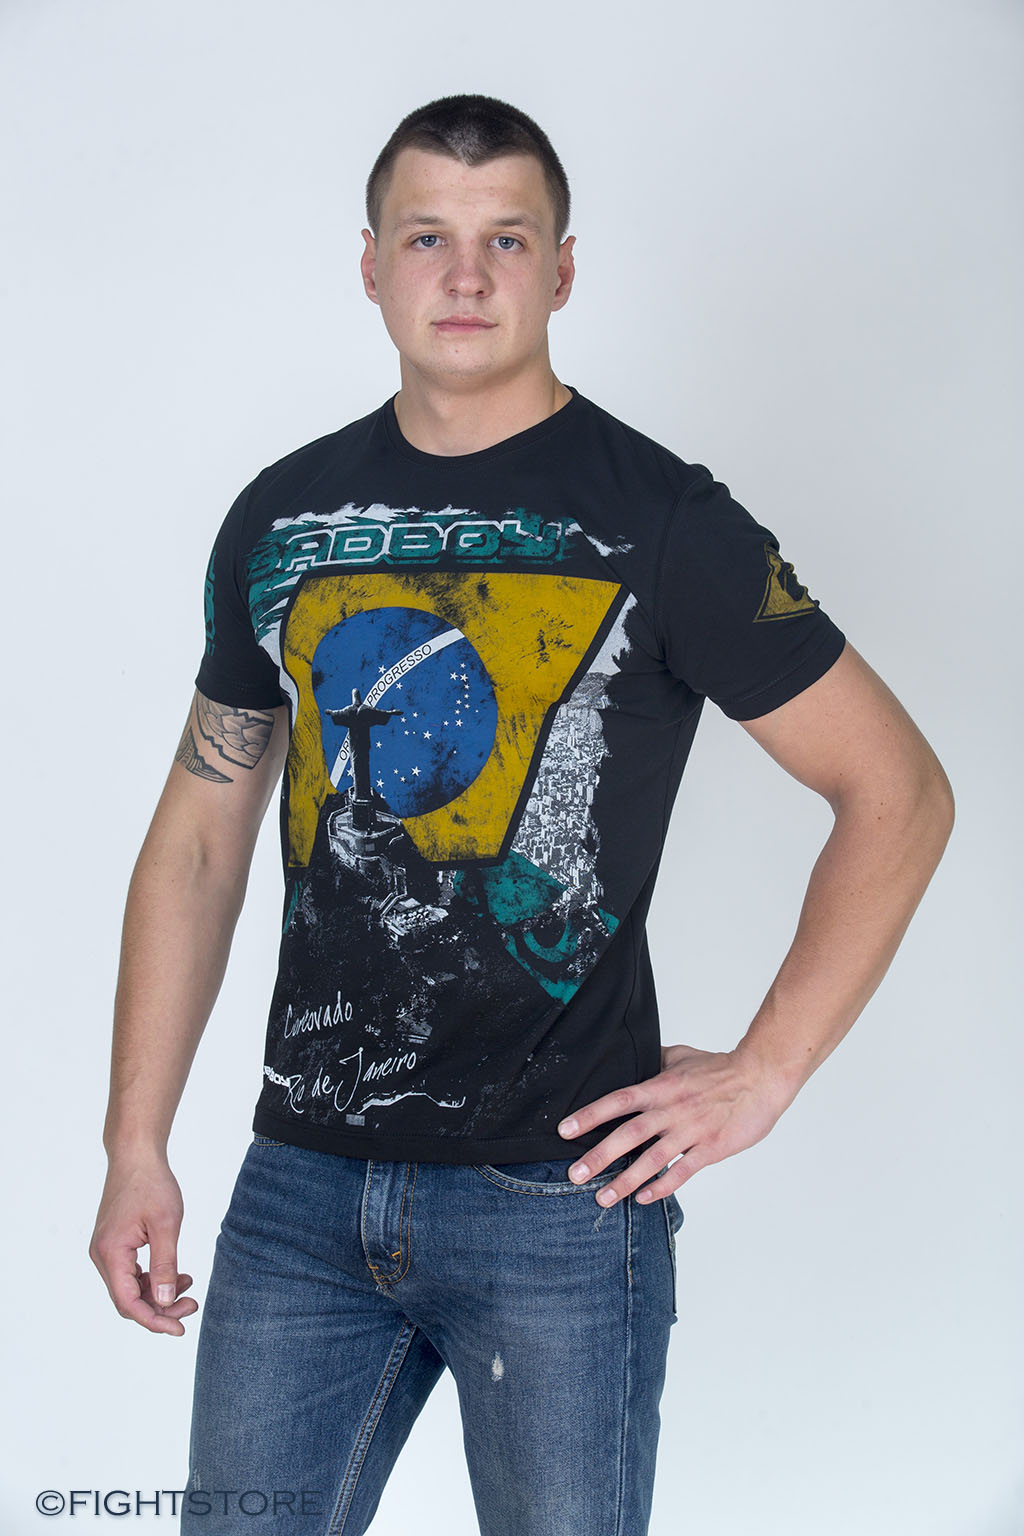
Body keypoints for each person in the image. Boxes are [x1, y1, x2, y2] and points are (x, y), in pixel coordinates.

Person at [89, 94, 954, 1535]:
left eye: (507, 238)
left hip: (558, 1199)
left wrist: (769, 1068)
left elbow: (899, 790)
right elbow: (197, 840)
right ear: (371, 266)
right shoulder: (281, 522)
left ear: (562, 270)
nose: (466, 274)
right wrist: (136, 1141)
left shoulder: (667, 522)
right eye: (428, 235)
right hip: (300, 1189)